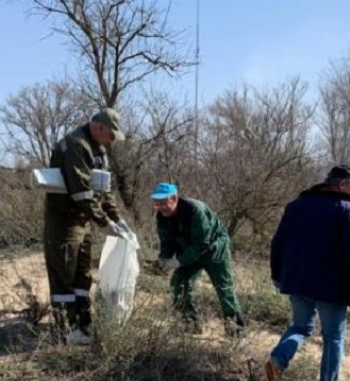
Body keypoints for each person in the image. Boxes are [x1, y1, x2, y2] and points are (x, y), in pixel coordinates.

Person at [266, 165, 350, 381]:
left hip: (297, 281)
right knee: (333, 338)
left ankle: (277, 361)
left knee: (300, 327)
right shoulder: (347, 210)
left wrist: (277, 275)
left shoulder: (296, 206)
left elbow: (278, 242)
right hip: (332, 288)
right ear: (344, 184)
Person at [44, 107, 132, 345]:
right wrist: (103, 222)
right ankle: (68, 330)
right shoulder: (75, 144)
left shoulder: (98, 149)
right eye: (111, 134)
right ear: (99, 127)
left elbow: (103, 189)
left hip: (83, 221)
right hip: (64, 222)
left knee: (82, 275)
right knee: (65, 274)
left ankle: (84, 324)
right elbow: (81, 191)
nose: (112, 140)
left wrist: (116, 218)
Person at [152, 182, 246, 337]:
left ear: (174, 198)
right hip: (189, 252)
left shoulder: (195, 210)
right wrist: (164, 259)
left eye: (163, 203)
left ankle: (236, 331)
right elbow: (166, 241)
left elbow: (202, 244)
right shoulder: (162, 217)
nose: (161, 207)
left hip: (214, 250)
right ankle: (192, 325)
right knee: (178, 285)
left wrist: (178, 262)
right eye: (157, 203)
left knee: (224, 289)